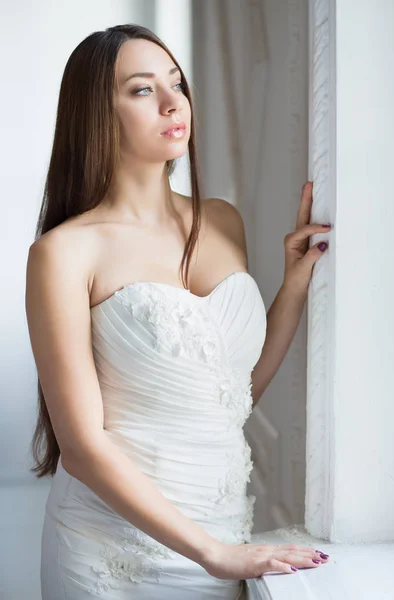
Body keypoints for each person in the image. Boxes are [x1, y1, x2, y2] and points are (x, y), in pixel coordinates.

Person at [25, 23, 331, 600]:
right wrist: (212, 554)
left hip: (221, 533)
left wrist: (292, 286)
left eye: (177, 84)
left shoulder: (221, 220)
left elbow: (230, 395)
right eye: (142, 90)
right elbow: (83, 447)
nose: (173, 103)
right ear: (97, 114)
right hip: (109, 551)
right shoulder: (63, 254)